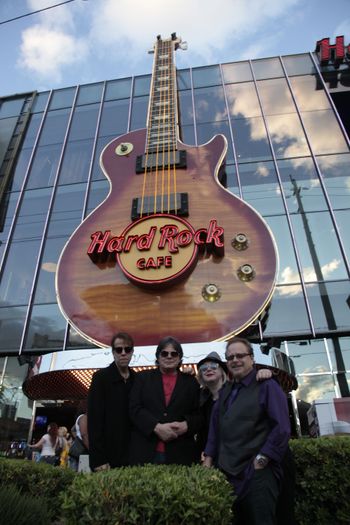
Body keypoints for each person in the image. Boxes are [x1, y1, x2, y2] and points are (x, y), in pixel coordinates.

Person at [203, 337, 290, 525]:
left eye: (240, 355)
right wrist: (208, 461)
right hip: (227, 476)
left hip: (257, 474)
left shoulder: (267, 385)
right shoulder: (225, 391)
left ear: (251, 358)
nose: (235, 360)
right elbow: (215, 429)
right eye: (230, 357)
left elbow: (281, 428)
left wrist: (262, 460)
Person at [129, 336, 201, 465]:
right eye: (164, 353)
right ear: (158, 356)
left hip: (181, 453)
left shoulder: (191, 382)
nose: (169, 356)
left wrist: (187, 425)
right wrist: (156, 427)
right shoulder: (142, 378)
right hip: (146, 451)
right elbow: (134, 408)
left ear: (179, 358)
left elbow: (199, 414)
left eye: (174, 353)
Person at [88, 331, 136, 472]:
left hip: (132, 457)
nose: (123, 353)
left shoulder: (137, 379)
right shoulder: (100, 378)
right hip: (107, 458)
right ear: (113, 352)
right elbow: (94, 420)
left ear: (132, 352)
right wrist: (98, 459)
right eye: (118, 349)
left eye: (127, 349)